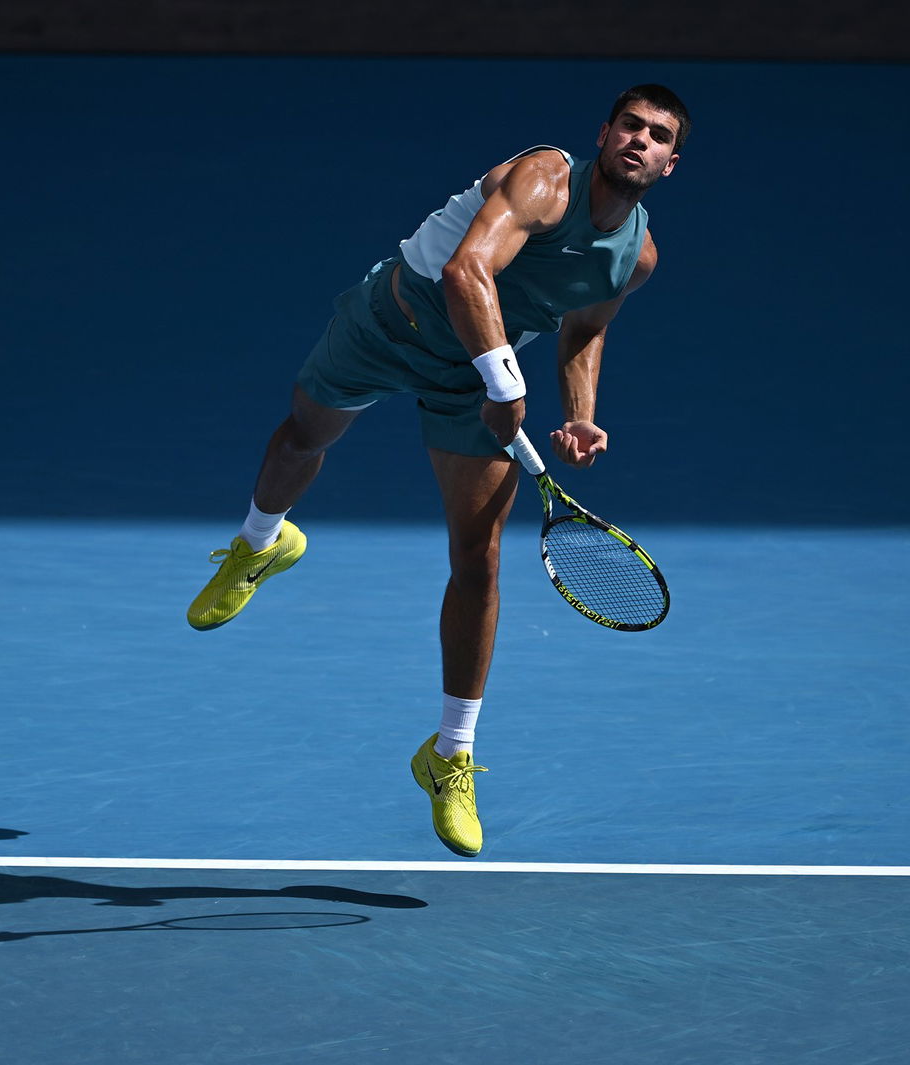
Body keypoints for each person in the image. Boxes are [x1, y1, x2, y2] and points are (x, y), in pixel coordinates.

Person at [187, 84, 690, 857]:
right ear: (605, 131)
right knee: (302, 440)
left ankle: (450, 753)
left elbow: (584, 330)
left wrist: (580, 410)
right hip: (391, 324)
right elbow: (465, 274)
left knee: (478, 562)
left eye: (657, 136)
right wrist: (507, 385)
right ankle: (262, 541)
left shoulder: (637, 258)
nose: (639, 140)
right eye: (630, 125)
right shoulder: (544, 180)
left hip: (476, 385)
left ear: (669, 164)